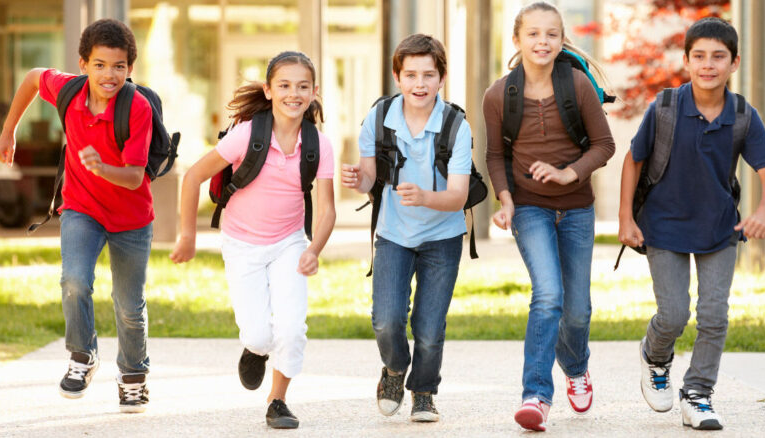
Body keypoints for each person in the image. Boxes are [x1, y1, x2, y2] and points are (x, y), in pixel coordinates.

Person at [618, 16, 765, 431]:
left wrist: (762, 213)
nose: (708, 65)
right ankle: (655, 356)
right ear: (687, 61)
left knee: (714, 316)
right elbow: (633, 160)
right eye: (700, 56)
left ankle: (698, 393)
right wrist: (625, 218)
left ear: (734, 63)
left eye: (718, 57)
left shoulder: (743, 115)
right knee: (673, 314)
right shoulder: (667, 107)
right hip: (664, 227)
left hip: (719, 229)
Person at [0, 18, 154, 413]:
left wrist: (101, 168)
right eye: (99, 64)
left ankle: (133, 376)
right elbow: (32, 77)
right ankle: (83, 355)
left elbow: (135, 177)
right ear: (83, 64)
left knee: (129, 304)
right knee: (74, 280)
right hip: (81, 207)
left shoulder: (137, 108)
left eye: (118, 66)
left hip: (131, 218)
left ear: (130, 68)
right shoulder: (67, 90)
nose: (109, 74)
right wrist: (8, 130)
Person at [170, 51, 336, 429]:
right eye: (284, 85)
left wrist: (313, 249)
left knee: (292, 329)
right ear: (268, 90)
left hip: (290, 243)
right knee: (259, 333)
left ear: (313, 92)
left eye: (302, 86)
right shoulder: (247, 134)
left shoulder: (318, 144)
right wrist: (188, 236)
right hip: (242, 243)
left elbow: (327, 211)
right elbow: (193, 176)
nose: (294, 94)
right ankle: (256, 349)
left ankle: (278, 401)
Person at [482, 2, 616, 431]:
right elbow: (495, 154)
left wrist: (568, 173)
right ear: (517, 40)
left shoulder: (577, 85)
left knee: (576, 310)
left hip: (576, 208)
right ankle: (536, 395)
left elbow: (604, 145)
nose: (542, 41)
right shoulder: (499, 94)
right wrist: (505, 199)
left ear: (562, 41)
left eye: (551, 34)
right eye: (533, 34)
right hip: (529, 207)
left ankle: (576, 368)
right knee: (548, 295)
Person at [340, 33, 471, 423]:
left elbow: (459, 196)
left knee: (430, 328)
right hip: (394, 234)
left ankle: (424, 391)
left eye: (428, 75)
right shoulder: (379, 119)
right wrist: (357, 180)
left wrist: (424, 196)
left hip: (442, 238)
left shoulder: (455, 126)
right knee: (386, 319)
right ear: (397, 77)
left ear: (442, 78)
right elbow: (370, 178)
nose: (419, 84)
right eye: (410, 74)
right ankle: (395, 370)